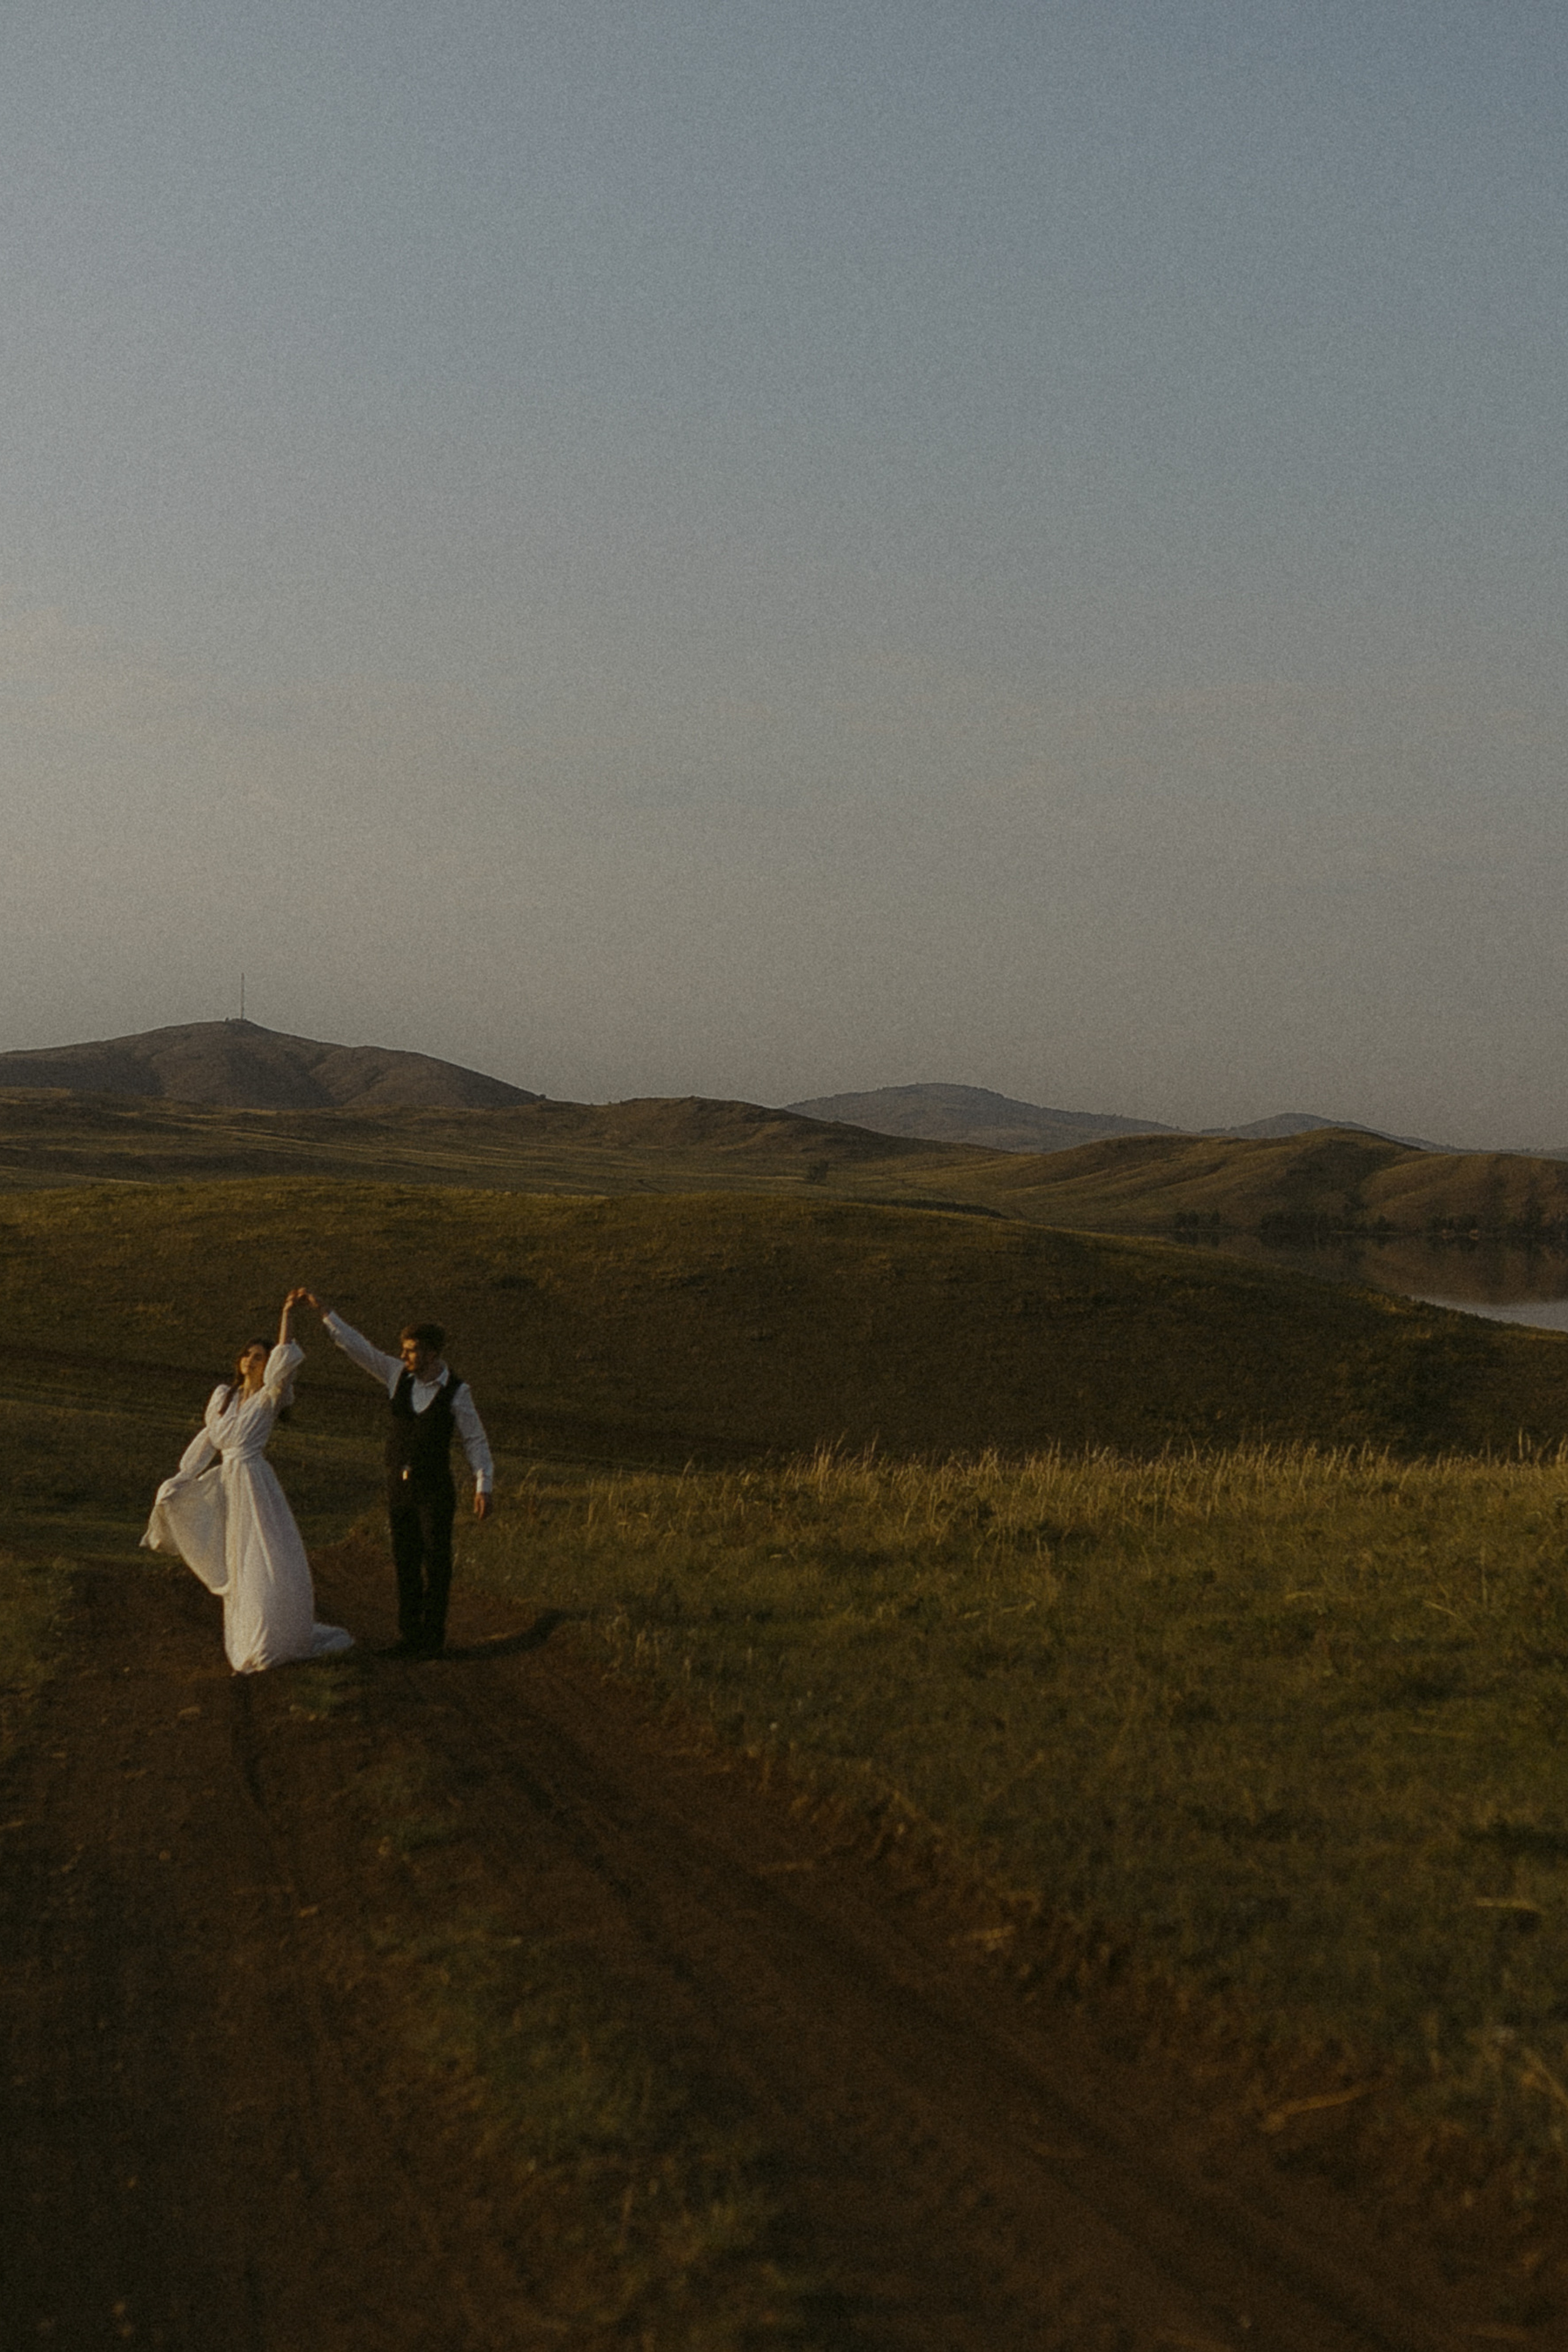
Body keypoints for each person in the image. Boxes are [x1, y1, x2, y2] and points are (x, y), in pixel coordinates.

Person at [142, 1289, 353, 1674]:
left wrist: (287, 1312)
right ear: (239, 1362)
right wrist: (180, 1480)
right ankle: (248, 1635)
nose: (253, 1362)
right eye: (249, 1356)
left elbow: (285, 1355)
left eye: (261, 1357)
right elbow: (207, 1442)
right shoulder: (223, 1398)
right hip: (227, 1485)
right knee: (236, 1561)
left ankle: (273, 1635)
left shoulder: (272, 1395)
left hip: (255, 1483)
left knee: (265, 1557)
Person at [303, 1295, 492, 1657]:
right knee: (405, 1559)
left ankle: (432, 1637)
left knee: (436, 1560)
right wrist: (326, 1314)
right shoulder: (396, 1376)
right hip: (399, 1485)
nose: (404, 1357)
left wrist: (484, 1485)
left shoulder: (457, 1391)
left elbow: (475, 1439)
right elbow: (359, 1349)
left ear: (432, 1354)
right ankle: (410, 1636)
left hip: (435, 1488)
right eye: (403, 1350)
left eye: (411, 1351)